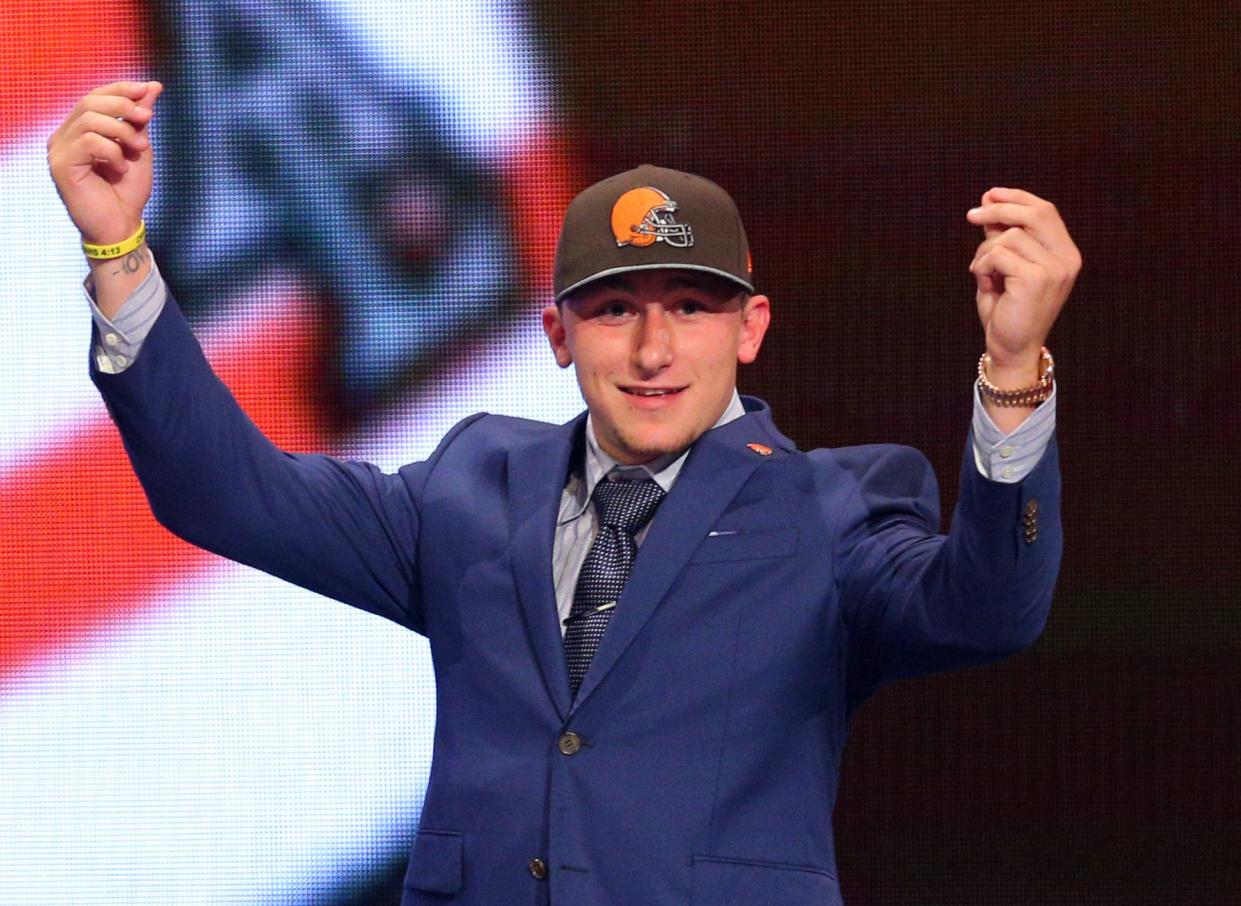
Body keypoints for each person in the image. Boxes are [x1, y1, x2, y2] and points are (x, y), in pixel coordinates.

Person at [48, 82, 1079, 905]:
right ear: (555, 335)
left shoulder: (831, 508)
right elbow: (226, 496)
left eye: (689, 305)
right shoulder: (470, 488)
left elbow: (986, 608)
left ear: (750, 328)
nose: (651, 347)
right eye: (612, 308)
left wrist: (1013, 370)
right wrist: (119, 254)